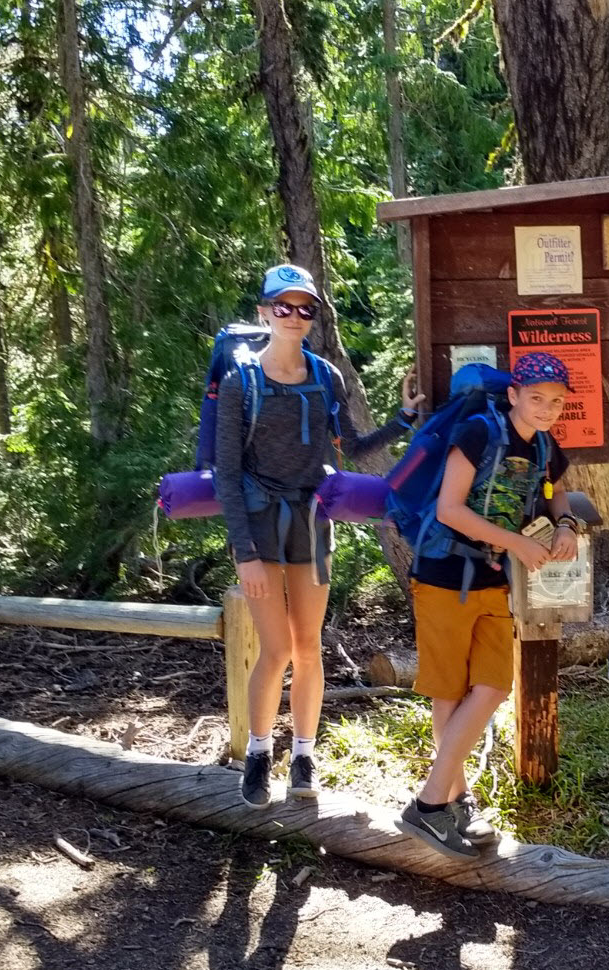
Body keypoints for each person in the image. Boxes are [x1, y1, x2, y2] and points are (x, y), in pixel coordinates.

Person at [217, 263, 423, 809]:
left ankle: (304, 755)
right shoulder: (242, 383)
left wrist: (402, 419)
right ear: (264, 312)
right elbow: (228, 475)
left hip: (312, 523)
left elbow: (352, 447)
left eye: (304, 308)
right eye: (282, 306)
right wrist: (245, 555)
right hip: (261, 527)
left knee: (308, 647)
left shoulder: (326, 376)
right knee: (277, 647)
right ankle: (260, 753)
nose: (294, 316)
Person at [397, 351, 580, 860]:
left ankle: (435, 805)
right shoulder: (479, 431)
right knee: (449, 693)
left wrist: (565, 524)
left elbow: (558, 495)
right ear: (515, 395)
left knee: (495, 684)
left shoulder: (544, 446)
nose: (546, 408)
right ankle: (448, 804)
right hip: (442, 573)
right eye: (537, 398)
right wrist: (518, 543)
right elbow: (449, 509)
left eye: (556, 401)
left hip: (492, 577)